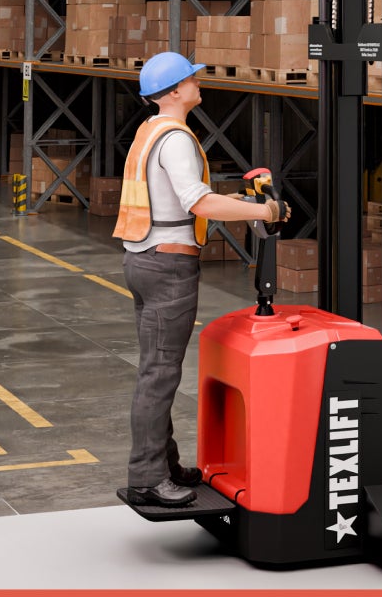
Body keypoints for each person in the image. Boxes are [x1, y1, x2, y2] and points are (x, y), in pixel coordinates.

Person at [115, 49, 287, 510]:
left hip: (144, 259)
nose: (197, 82)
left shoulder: (151, 130)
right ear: (174, 92)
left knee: (157, 369)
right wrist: (263, 210)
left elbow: (182, 196)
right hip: (168, 268)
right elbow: (199, 204)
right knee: (159, 374)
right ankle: (148, 478)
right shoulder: (176, 138)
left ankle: (164, 466)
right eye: (191, 79)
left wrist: (231, 197)